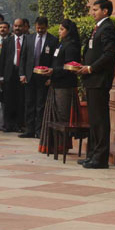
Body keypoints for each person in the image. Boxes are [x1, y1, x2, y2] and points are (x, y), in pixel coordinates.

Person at [77, 0, 115, 169]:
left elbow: (108, 55)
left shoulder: (107, 28)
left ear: (105, 11)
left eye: (95, 10)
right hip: (91, 80)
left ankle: (100, 158)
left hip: (99, 80)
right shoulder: (98, 28)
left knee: (100, 120)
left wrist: (91, 68)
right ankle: (92, 155)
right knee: (93, 120)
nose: (92, 12)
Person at [39, 19, 81, 154]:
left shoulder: (72, 46)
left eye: (62, 29)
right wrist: (50, 75)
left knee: (62, 116)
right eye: (59, 29)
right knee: (54, 116)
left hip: (65, 86)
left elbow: (70, 67)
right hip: (56, 84)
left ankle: (62, 146)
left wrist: (54, 72)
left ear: (69, 31)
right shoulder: (61, 44)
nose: (59, 32)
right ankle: (52, 145)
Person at [19, 16, 58, 138]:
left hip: (44, 77)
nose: (40, 30)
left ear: (46, 27)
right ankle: (29, 129)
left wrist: (51, 77)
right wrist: (22, 74)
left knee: (41, 104)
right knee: (29, 103)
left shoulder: (53, 40)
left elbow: (54, 60)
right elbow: (23, 58)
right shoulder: (28, 38)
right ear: (34, 26)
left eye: (42, 28)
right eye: (38, 28)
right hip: (29, 76)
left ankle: (39, 130)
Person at [0, 18, 26, 132]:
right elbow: (3, 60)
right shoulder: (7, 41)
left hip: (22, 74)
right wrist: (1, 76)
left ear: (24, 27)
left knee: (20, 100)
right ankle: (8, 125)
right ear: (13, 27)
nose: (17, 28)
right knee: (8, 100)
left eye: (20, 26)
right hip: (9, 74)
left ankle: (18, 125)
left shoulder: (28, 40)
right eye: (15, 26)